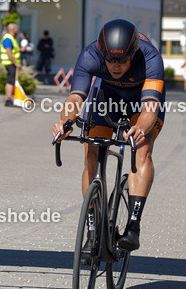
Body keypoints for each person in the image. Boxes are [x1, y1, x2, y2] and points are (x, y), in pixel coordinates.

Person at [51, 19, 165, 257]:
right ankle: (92, 232)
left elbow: (151, 108)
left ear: (132, 53)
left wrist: (141, 129)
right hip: (107, 98)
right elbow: (75, 98)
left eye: (122, 59)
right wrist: (66, 121)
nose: (116, 65)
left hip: (141, 102)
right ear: (101, 52)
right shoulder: (90, 55)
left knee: (141, 147)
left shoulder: (150, 57)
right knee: (91, 150)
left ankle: (133, 225)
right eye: (110, 59)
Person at [0, 22, 22, 107]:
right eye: (16, 28)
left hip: (10, 63)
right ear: (12, 29)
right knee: (10, 81)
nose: (18, 30)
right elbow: (9, 52)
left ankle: (10, 99)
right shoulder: (8, 38)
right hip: (9, 63)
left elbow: (13, 50)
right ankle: (8, 99)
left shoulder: (11, 38)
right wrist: (16, 63)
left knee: (12, 81)